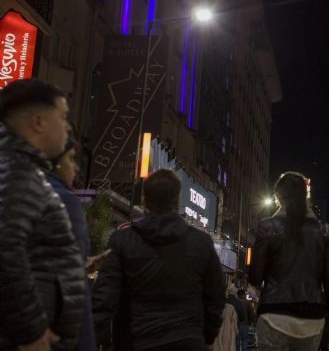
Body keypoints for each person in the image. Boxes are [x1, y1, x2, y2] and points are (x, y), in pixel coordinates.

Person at [93, 169, 226, 350]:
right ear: (177, 200)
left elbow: (104, 297)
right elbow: (216, 296)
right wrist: (207, 335)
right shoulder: (201, 243)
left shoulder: (122, 240)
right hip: (187, 341)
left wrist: (98, 339)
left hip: (136, 341)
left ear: (144, 200)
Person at [0, 79, 83, 351]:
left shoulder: (22, 167)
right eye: (63, 117)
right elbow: (5, 247)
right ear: (38, 122)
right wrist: (31, 332)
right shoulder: (16, 172)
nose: (67, 127)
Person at [248, 171, 329, 351]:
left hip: (274, 314)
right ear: (305, 196)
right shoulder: (323, 231)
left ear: (278, 198)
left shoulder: (267, 226)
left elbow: (254, 276)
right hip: (311, 319)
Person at [45, 131, 98, 351]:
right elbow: (74, 287)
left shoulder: (18, 188)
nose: (75, 168)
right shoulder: (65, 201)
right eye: (71, 159)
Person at [226, 284, 248, 351]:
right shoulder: (239, 303)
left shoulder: (224, 302)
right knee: (236, 343)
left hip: (225, 327)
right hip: (236, 326)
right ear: (235, 293)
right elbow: (243, 316)